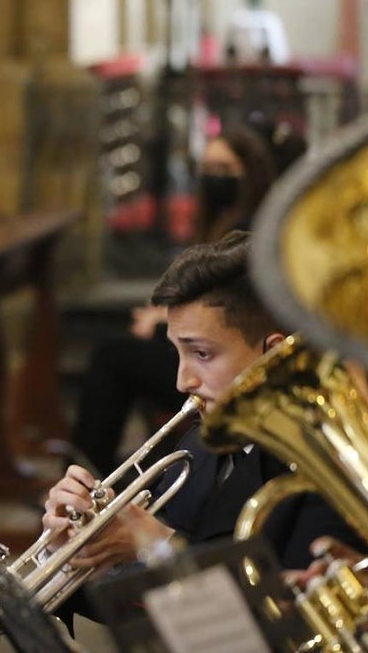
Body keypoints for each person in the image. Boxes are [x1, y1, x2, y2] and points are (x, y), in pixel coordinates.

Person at [44, 232, 360, 625]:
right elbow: (136, 600)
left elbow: (295, 623)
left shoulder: (328, 468)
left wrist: (155, 545)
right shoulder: (197, 447)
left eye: (202, 354)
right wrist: (74, 551)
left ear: (274, 354)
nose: (182, 381)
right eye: (178, 352)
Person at [71, 125, 281, 474]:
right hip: (219, 349)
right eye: (209, 169)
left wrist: (158, 325)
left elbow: (231, 311)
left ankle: (89, 463)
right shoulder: (215, 221)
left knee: (112, 358)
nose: (182, 384)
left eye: (226, 170)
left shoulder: (254, 225)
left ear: (251, 176)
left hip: (236, 341)